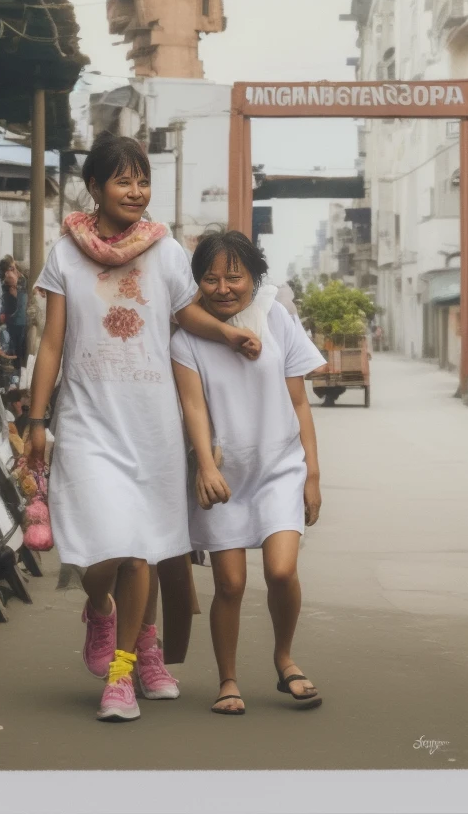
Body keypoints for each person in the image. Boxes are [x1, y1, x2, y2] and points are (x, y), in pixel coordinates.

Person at [25, 133, 262, 723]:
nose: (136, 192)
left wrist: (230, 332)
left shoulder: (165, 252)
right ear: (97, 188)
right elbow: (51, 342)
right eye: (123, 181)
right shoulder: (65, 254)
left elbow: (186, 314)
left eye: (143, 181)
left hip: (151, 423)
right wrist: (34, 419)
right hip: (87, 421)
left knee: (140, 551)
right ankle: (101, 609)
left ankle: (127, 669)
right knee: (98, 554)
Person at [170, 230, 326, 715]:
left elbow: (299, 402)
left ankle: (284, 658)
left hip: (280, 467)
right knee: (230, 585)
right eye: (210, 279)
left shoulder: (276, 317)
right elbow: (193, 409)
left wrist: (313, 475)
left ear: (253, 278)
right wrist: (205, 467)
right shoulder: (184, 339)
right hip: (223, 477)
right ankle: (228, 680)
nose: (223, 288)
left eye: (234, 277)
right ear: (196, 283)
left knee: (281, 570)